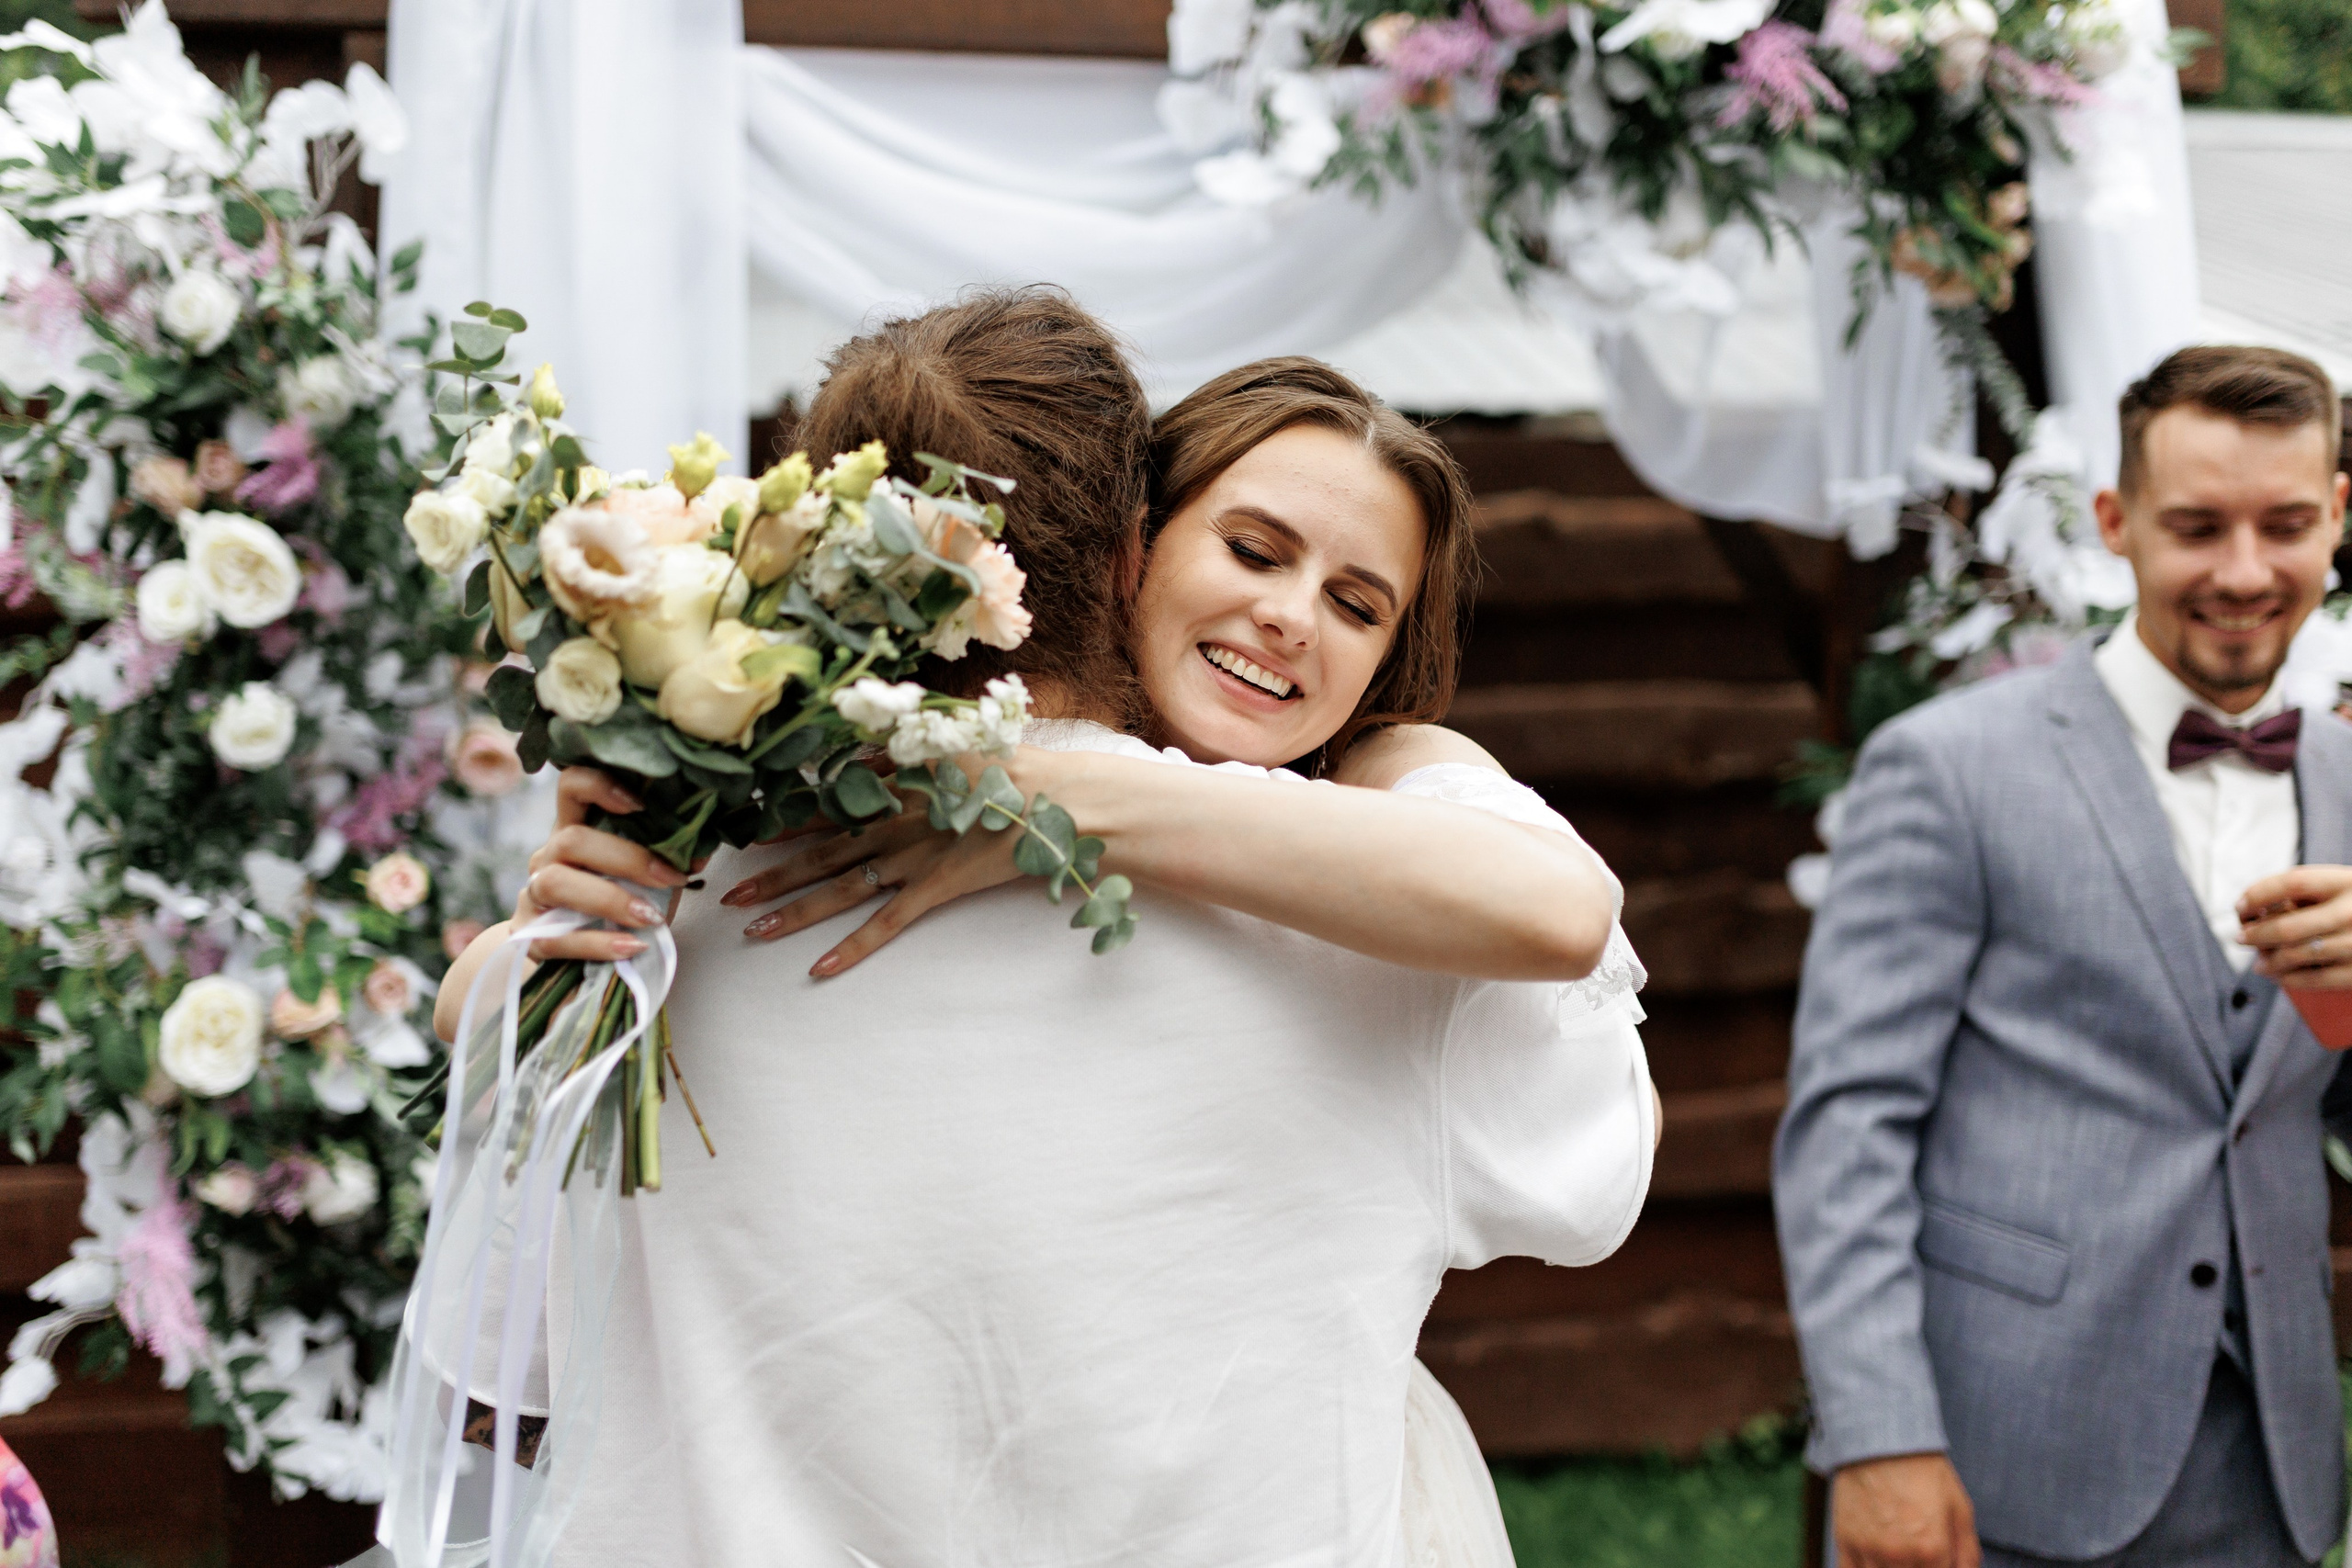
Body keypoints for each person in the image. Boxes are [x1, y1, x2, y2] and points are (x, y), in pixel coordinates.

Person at [436, 296, 1657, 1567]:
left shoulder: (687, 917)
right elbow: (1595, 1171)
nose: (1292, 617)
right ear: (1135, 549)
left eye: (1360, 604)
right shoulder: (1392, 958)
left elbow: (512, 1393)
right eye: (1252, 549)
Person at [1774, 344, 2352, 1568]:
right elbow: (1847, 1128)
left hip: (2270, 1474)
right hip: (1996, 1457)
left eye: (2286, 524)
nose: (2245, 571)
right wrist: (1880, 1439)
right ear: (2115, 521)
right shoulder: (1951, 768)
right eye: (2197, 527)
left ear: (2338, 517)